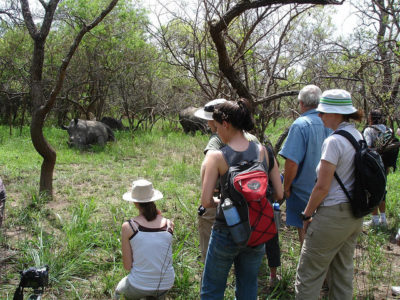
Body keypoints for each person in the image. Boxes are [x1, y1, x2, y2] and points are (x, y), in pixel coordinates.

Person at [199, 99, 283, 300]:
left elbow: (206, 201)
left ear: (225, 124)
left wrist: (226, 203)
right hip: (257, 230)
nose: (217, 132)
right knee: (247, 286)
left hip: (226, 231)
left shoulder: (216, 157)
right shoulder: (264, 152)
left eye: (217, 127)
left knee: (212, 289)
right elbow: (279, 194)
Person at [295, 89, 364, 300]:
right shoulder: (357, 136)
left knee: (308, 275)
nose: (320, 115)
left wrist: (307, 214)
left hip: (332, 216)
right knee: (342, 275)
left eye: (323, 112)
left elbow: (322, 187)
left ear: (335, 113)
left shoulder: (334, 141)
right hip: (354, 215)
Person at [194, 98, 259, 262]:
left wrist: (209, 191)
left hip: (222, 199)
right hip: (250, 201)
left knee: (212, 246)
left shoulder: (217, 139)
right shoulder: (253, 139)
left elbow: (206, 163)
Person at [279, 85, 331, 245]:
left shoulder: (300, 124)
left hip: (303, 191)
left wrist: (286, 187)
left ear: (301, 103)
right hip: (327, 190)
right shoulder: (329, 123)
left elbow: (292, 162)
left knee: (305, 233)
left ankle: (308, 268)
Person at [114, 179, 174, 300]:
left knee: (118, 293)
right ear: (154, 200)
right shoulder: (169, 224)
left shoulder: (129, 227)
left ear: (135, 203)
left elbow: (127, 266)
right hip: (166, 283)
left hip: (138, 285)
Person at [363, 109, 394, 227]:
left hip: (373, 165)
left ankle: (375, 220)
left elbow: (368, 147)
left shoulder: (369, 130)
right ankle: (383, 219)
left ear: (371, 118)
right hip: (385, 165)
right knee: (382, 190)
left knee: (372, 191)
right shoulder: (389, 130)